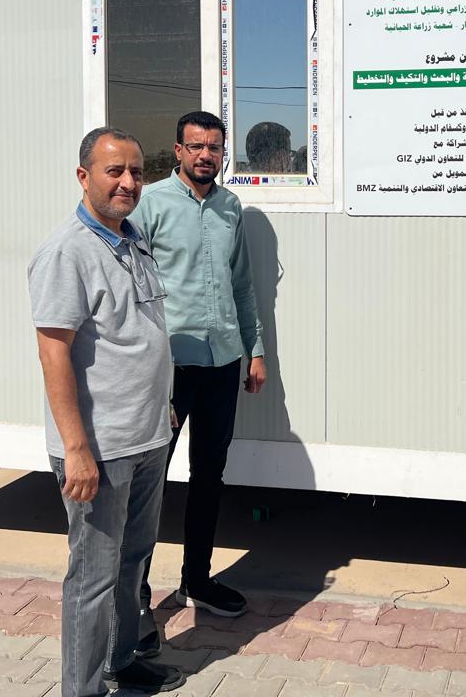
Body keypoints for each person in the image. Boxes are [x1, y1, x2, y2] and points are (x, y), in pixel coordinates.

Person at [28, 127, 183, 697]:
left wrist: (163, 406)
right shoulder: (66, 252)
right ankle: (83, 689)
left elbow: (141, 334)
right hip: (99, 447)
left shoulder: (131, 238)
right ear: (84, 176)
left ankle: (121, 660)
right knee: (92, 576)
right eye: (114, 171)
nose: (128, 182)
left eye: (136, 172)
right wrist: (76, 449)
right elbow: (53, 353)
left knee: (132, 560)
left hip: (147, 436)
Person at [133, 110, 267, 626]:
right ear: (179, 150)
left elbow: (242, 286)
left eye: (214, 147)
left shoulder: (231, 207)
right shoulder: (150, 205)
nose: (205, 155)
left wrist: (255, 350)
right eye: (196, 146)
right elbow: (131, 285)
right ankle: (135, 592)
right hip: (168, 368)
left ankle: (197, 579)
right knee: (149, 481)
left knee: (209, 475)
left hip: (222, 361)